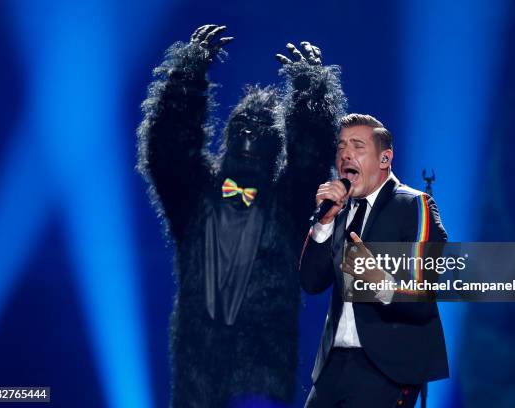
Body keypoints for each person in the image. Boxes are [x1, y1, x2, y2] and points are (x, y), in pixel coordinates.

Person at [137, 24, 346, 408]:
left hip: (259, 375)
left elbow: (312, 157)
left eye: (261, 130)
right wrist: (187, 78)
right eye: (243, 127)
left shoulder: (287, 205)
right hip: (198, 375)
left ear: (274, 148)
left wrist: (311, 91)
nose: (251, 134)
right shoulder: (195, 199)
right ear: (229, 137)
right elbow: (168, 150)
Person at [299, 114, 449, 408]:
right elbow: (311, 282)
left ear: (384, 159)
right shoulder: (340, 211)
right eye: (341, 147)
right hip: (333, 365)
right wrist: (324, 223)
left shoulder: (413, 205)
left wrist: (379, 282)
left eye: (357, 146)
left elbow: (425, 295)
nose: (345, 155)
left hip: (387, 367)